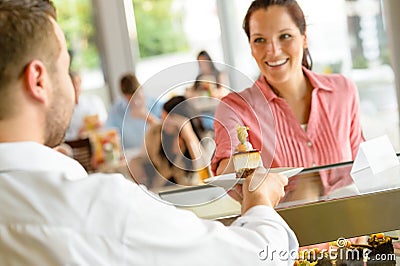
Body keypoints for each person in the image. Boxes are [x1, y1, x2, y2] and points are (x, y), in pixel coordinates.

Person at [0, 0, 298, 265]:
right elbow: (255, 257)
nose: (73, 86)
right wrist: (259, 201)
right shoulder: (99, 210)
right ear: (38, 80)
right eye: (65, 68)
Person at [212, 0, 365, 175]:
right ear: (251, 48)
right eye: (260, 40)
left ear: (304, 38)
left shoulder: (342, 91)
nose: (273, 51)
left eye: (285, 36)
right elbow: (227, 174)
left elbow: (361, 167)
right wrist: (243, 166)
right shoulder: (234, 108)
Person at [130, 96, 209, 188]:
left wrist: (188, 135)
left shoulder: (204, 140)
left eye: (169, 119)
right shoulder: (157, 134)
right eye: (163, 118)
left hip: (190, 191)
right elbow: (142, 158)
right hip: (161, 191)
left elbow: (205, 173)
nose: (164, 123)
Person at [104, 73, 160, 152]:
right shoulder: (117, 110)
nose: (136, 103)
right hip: (129, 156)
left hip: (155, 154)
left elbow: (167, 132)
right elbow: (108, 133)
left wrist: (147, 117)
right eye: (130, 99)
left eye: (138, 97)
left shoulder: (157, 105)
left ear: (142, 89)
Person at [64, 71, 108, 141]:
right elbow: (64, 136)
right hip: (79, 144)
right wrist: (77, 133)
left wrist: (98, 124)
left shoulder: (94, 100)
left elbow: (105, 121)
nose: (76, 87)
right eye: (72, 84)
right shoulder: (64, 110)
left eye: (77, 83)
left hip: (99, 141)